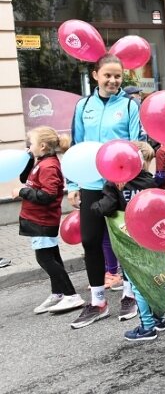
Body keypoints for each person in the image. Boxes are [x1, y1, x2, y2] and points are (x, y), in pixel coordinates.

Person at [68, 53, 142, 329]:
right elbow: (76, 145)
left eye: (118, 76)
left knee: (124, 241)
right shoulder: (83, 105)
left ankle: (129, 294)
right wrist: (73, 184)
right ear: (95, 74)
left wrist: (130, 176)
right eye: (108, 75)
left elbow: (137, 144)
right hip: (89, 184)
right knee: (90, 241)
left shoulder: (129, 105)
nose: (113, 80)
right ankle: (98, 301)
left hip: (119, 184)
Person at [90, 142, 165, 339]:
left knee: (136, 283)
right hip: (150, 239)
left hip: (129, 242)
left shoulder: (115, 183)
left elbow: (106, 207)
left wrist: (92, 207)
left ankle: (147, 326)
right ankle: (158, 318)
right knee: (150, 280)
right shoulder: (149, 182)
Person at [13, 127, 84, 315]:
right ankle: (58, 293)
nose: (29, 147)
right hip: (38, 219)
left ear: (42, 146)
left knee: (44, 258)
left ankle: (71, 295)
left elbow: (49, 195)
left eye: (32, 144)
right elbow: (24, 178)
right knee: (52, 256)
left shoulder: (49, 166)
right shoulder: (41, 162)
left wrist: (22, 192)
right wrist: (28, 160)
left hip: (42, 220)